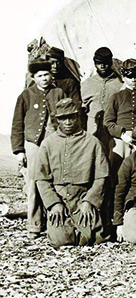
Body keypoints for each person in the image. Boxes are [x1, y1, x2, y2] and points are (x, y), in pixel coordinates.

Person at [35, 98, 111, 248]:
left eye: (71, 117)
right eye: (63, 118)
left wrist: (89, 201)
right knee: (60, 241)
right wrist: (54, 203)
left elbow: (101, 177)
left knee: (94, 239)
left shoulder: (92, 142)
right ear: (57, 120)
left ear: (78, 117)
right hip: (59, 197)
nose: (68, 122)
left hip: (83, 196)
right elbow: (41, 179)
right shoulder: (48, 144)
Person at [11, 58, 65, 239]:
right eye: (40, 76)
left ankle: (54, 223)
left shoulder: (59, 93)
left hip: (55, 144)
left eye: (47, 74)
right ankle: (34, 225)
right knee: (33, 183)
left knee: (55, 183)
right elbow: (17, 125)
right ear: (33, 77)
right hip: (33, 145)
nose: (44, 78)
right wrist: (19, 151)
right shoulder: (26, 95)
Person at [81, 47, 122, 151]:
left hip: (112, 129)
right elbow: (82, 110)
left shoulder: (120, 83)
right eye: (99, 63)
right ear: (95, 63)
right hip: (92, 130)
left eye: (105, 63)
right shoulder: (86, 84)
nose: (102, 66)